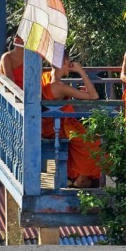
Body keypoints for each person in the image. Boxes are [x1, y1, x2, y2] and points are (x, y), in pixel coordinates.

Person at [41, 52, 103, 188]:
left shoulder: (44, 76)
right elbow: (93, 96)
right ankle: (81, 178)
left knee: (90, 138)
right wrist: (81, 71)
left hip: (48, 123)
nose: (69, 67)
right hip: (55, 127)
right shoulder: (59, 86)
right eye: (68, 63)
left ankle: (78, 177)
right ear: (63, 63)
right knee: (93, 142)